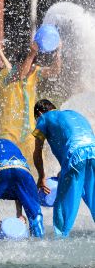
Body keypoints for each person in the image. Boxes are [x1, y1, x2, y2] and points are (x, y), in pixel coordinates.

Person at [33, 99, 95, 236]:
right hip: (93, 152)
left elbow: (37, 151)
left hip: (75, 155)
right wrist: (65, 168)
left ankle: (60, 240)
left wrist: (41, 177)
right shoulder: (74, 114)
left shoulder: (43, 118)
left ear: (39, 112)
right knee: (93, 195)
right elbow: (80, 140)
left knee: (62, 201)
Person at [0, 41, 62, 175]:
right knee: (6, 168)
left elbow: (55, 71)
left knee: (38, 168)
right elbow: (20, 75)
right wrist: (32, 53)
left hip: (29, 132)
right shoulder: (6, 75)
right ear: (19, 64)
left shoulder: (35, 72)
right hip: (10, 133)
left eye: (33, 65)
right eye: (31, 65)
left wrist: (58, 51)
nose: (33, 69)